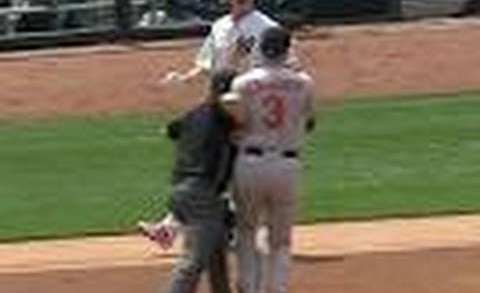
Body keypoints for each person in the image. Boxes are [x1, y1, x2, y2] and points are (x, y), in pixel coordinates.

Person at [221, 26, 315, 293]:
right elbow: (309, 122)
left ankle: (248, 288)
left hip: (249, 163)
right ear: (288, 49)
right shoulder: (305, 82)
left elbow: (235, 122)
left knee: (247, 231)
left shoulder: (243, 83)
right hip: (287, 164)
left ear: (262, 48)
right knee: (281, 241)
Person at [139, 70, 237, 293]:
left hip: (182, 191)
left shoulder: (195, 114)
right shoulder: (227, 120)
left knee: (216, 252)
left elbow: (170, 130)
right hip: (201, 194)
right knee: (192, 263)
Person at [162, 0, 279, 84]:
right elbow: (207, 66)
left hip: (253, 95)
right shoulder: (219, 26)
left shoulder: (269, 28)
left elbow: (284, 68)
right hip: (222, 94)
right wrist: (183, 78)